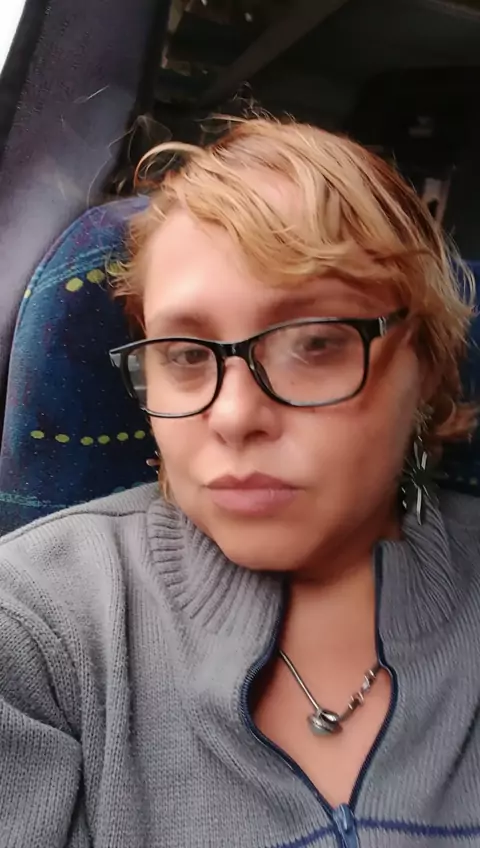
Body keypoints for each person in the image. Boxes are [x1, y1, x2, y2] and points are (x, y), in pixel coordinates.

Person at [1, 116, 479, 848]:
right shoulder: (33, 628)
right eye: (186, 356)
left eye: (314, 343)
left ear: (428, 367)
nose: (232, 416)